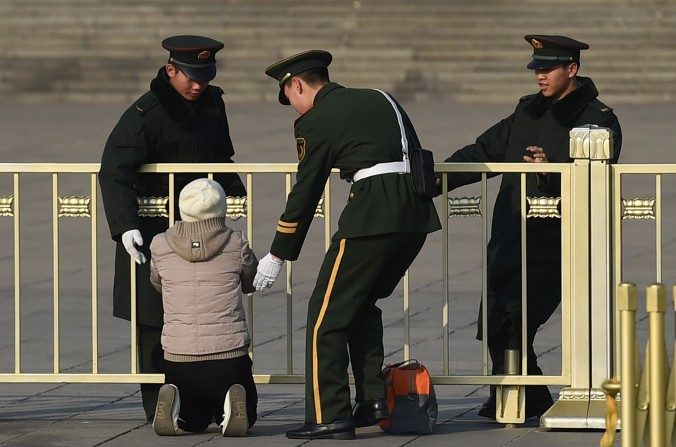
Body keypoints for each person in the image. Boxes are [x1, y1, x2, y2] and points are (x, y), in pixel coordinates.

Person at [256, 50, 441, 440]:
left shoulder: (316, 119)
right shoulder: (379, 96)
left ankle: (330, 414)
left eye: (289, 97)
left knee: (325, 316)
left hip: (372, 216)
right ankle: (373, 400)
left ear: (298, 84)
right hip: (415, 216)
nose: (292, 107)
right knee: (359, 305)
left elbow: (306, 190)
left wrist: (278, 253)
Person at [443, 35, 622, 419]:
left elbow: (595, 182)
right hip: (510, 234)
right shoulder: (526, 112)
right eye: (536, 69)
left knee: (515, 319)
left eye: (548, 68)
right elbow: (482, 151)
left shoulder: (598, 119)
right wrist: (434, 179)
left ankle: (519, 393)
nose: (539, 76)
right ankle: (525, 395)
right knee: (495, 322)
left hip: (556, 242)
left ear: (571, 69)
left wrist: (548, 174)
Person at [98, 35, 246, 422]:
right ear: (170, 71)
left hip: (205, 227)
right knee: (154, 321)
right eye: (191, 77)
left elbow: (221, 155)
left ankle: (210, 405)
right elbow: (114, 170)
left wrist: (236, 196)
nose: (199, 85)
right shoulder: (144, 114)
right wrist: (125, 227)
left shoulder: (214, 103)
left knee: (209, 318)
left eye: (205, 76)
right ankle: (160, 407)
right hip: (152, 230)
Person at [149, 178, 258, 436]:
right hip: (229, 356)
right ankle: (229, 402)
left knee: (194, 422)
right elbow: (250, 282)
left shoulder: (160, 244)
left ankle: (176, 399)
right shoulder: (235, 241)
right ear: (222, 211)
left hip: (179, 357)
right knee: (248, 415)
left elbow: (157, 283)